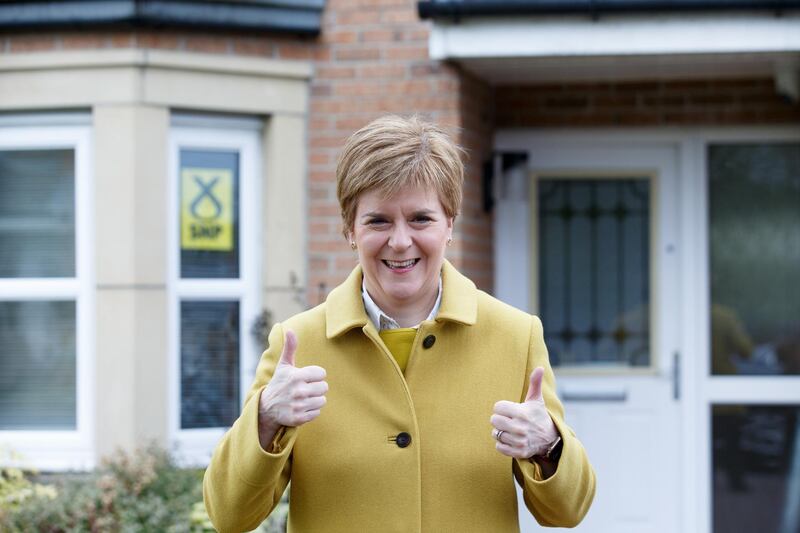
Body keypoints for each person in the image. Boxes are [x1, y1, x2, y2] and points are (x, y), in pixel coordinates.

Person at [203, 115, 596, 532]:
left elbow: (567, 511)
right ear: (349, 229)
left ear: (450, 225)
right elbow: (229, 515)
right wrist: (265, 419)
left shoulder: (515, 337)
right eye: (378, 220)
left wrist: (549, 446)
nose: (401, 241)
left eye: (421, 219)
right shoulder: (298, 345)